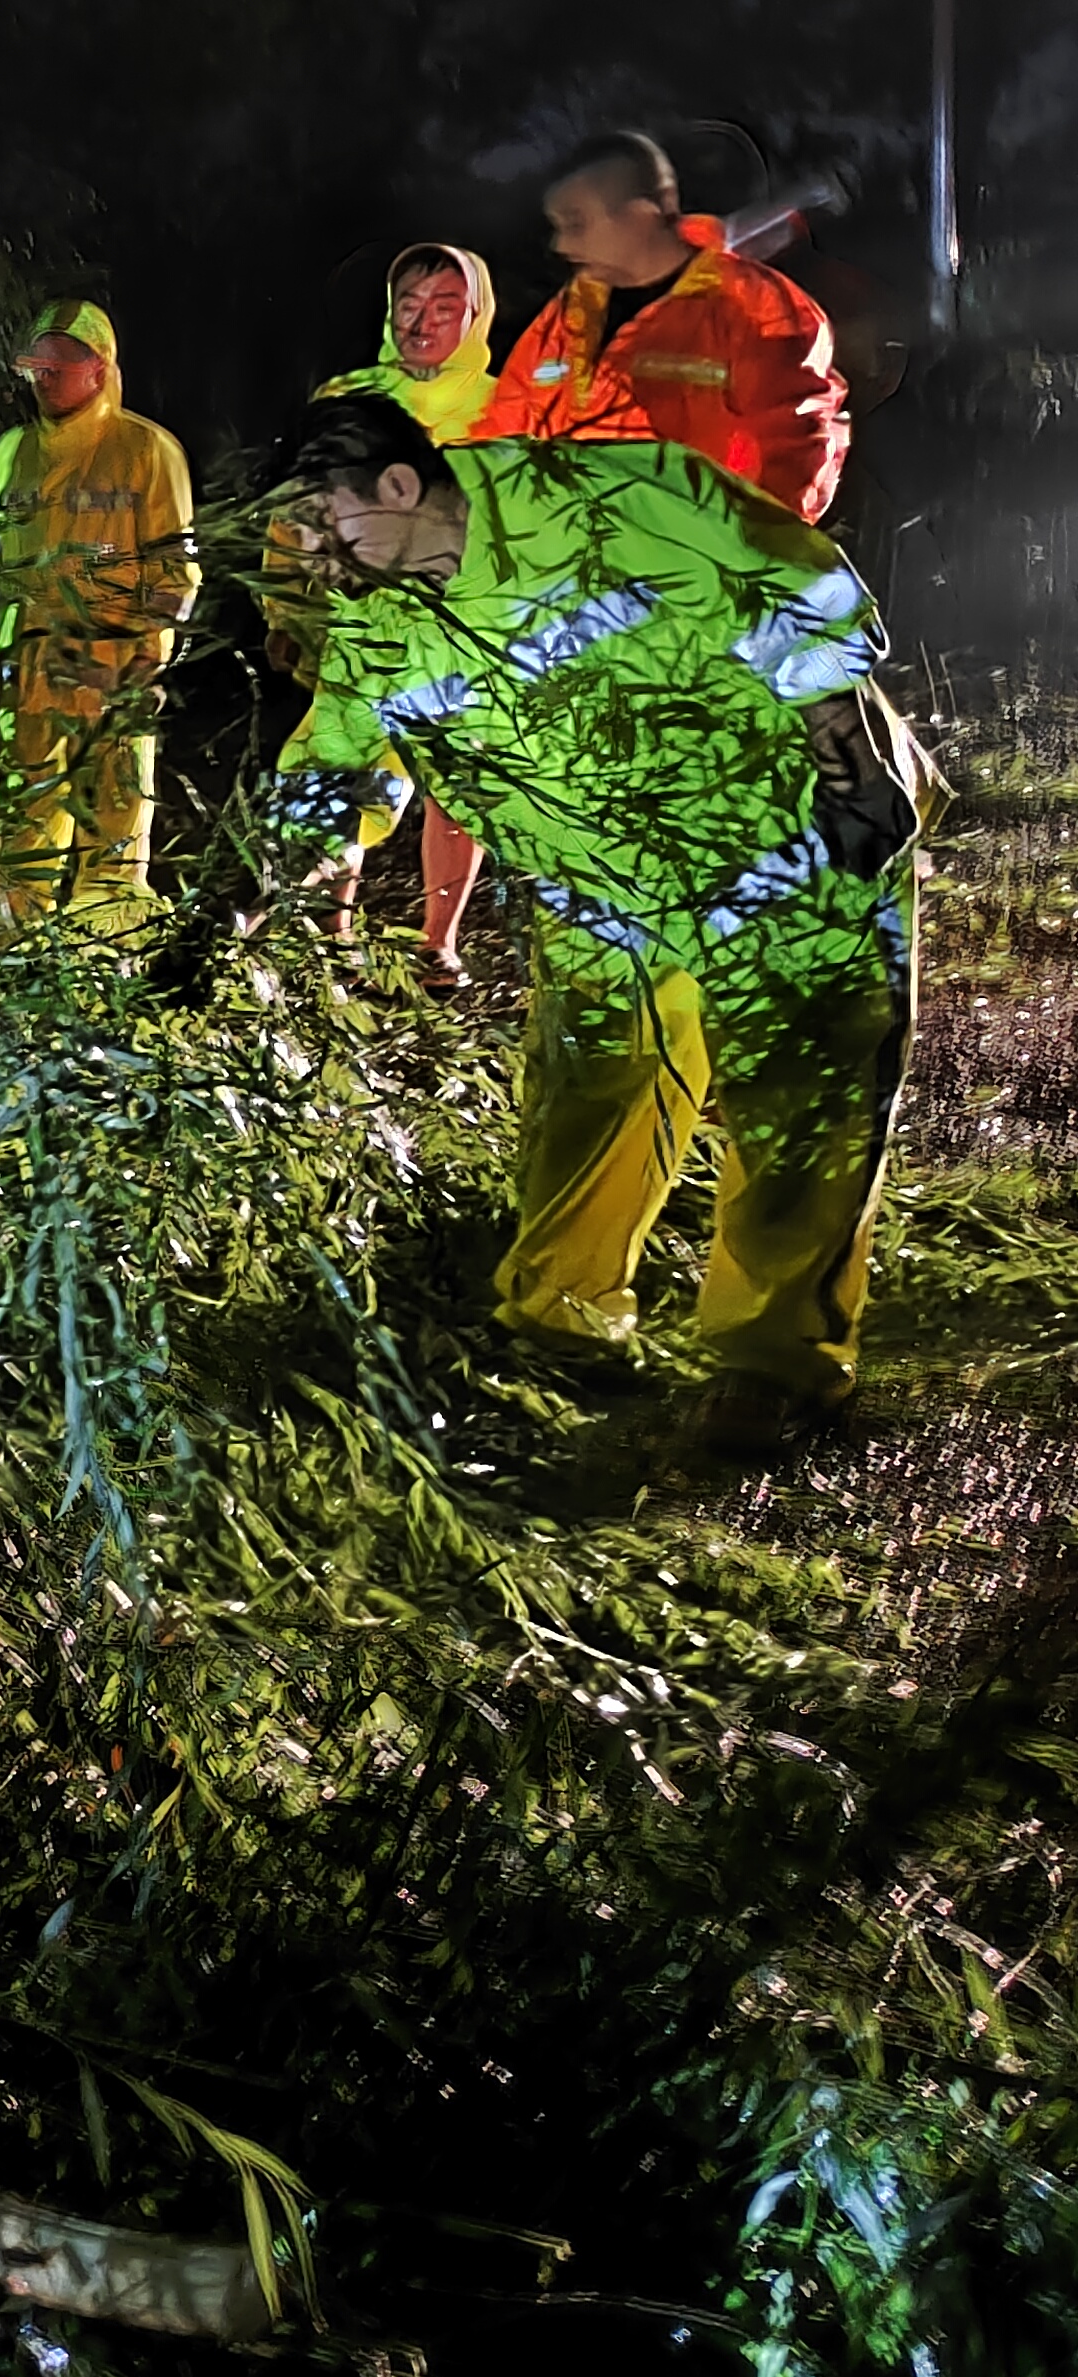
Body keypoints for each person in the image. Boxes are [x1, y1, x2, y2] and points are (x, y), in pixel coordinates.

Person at [251, 395, 929, 1434]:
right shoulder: (378, 614)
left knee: (802, 1093)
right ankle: (559, 1318)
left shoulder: (595, 495)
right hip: (598, 882)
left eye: (318, 520)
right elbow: (340, 765)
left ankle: (770, 1365)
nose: (308, 552)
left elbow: (788, 583)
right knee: (591, 1085)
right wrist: (241, 903)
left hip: (776, 825)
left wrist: (848, 759)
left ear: (395, 487)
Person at [266, 245, 504, 985]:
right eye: (409, 305)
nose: (423, 321)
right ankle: (330, 926)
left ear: (474, 315)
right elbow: (302, 498)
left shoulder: (506, 408)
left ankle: (438, 940)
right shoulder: (354, 395)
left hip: (463, 630)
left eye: (444, 307)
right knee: (336, 767)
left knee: (458, 789)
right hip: (362, 624)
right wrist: (283, 598)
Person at [469, 131, 850, 522]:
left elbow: (798, 454)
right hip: (569, 559)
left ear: (642, 214)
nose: (560, 244)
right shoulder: (574, 311)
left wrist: (738, 552)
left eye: (576, 224)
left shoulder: (757, 310)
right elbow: (507, 421)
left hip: (688, 564)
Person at [0, 300, 197, 917]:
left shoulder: (147, 450)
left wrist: (147, 654)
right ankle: (23, 943)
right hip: (33, 664)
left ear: (99, 369)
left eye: (62, 362)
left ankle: (110, 944)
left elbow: (174, 568)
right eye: (38, 364)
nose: (45, 375)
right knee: (30, 812)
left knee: (115, 813)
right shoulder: (11, 454)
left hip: (115, 664)